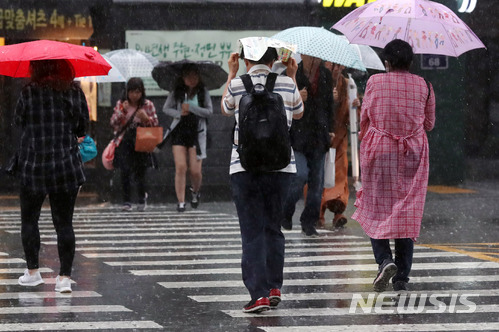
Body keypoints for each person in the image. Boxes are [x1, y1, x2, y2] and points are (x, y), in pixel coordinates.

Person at [221, 46, 303, 313]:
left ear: (245, 60)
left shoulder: (236, 85)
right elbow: (299, 112)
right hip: (281, 168)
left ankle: (259, 295)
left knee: (252, 231)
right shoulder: (288, 84)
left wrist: (231, 73)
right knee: (273, 228)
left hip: (244, 168)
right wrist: (292, 75)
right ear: (274, 60)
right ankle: (274, 286)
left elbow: (224, 108)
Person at [352, 39, 436, 292]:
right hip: (413, 151)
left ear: (386, 63)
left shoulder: (375, 82)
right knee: (406, 210)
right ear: (410, 63)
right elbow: (429, 124)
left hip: (379, 149)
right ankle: (401, 277)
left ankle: (384, 260)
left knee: (376, 206)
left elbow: (365, 119)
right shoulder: (425, 86)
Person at [14, 59, 89, 293]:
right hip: (65, 165)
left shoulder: (28, 92)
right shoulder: (75, 92)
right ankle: (64, 278)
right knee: (64, 223)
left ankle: (33, 272)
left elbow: (18, 121)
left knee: (29, 220)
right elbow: (82, 129)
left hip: (33, 164)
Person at [281, 54, 335, 237]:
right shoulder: (290, 73)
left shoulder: (326, 75)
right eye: (311, 57)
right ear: (303, 55)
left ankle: (309, 221)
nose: (314, 60)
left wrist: (331, 128)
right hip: (297, 135)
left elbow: (329, 106)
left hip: (319, 136)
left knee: (317, 183)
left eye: (317, 58)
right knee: (299, 174)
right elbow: (279, 101)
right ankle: (286, 211)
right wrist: (296, 97)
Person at [162, 63, 213, 212]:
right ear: (182, 78)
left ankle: (195, 192)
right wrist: (179, 113)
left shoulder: (203, 92)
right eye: (188, 76)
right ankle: (181, 201)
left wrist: (192, 108)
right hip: (179, 132)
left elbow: (209, 112)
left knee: (195, 171)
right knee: (181, 167)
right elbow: (166, 108)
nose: (192, 80)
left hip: (197, 133)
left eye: (195, 76)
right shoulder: (177, 92)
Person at [317, 62, 361, 228]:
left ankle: (338, 213)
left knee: (340, 176)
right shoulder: (317, 81)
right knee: (317, 177)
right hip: (320, 138)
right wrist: (329, 99)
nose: (335, 70)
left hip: (339, 139)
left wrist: (355, 107)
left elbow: (352, 120)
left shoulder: (348, 85)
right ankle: (318, 213)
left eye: (338, 66)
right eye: (332, 66)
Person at [110, 77, 159, 212]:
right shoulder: (122, 103)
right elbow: (113, 122)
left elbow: (155, 124)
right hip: (125, 140)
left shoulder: (147, 105)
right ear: (127, 92)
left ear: (142, 92)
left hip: (141, 139)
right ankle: (126, 201)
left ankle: (141, 198)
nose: (134, 95)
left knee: (140, 171)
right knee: (125, 170)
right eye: (132, 92)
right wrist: (123, 112)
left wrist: (146, 119)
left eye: (138, 92)